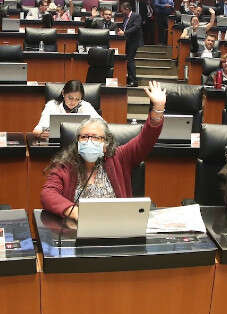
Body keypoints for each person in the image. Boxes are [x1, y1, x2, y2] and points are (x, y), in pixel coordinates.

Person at [40, 82, 167, 220]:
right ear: (77, 142)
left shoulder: (120, 157)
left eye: (95, 137)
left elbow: (145, 140)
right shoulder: (66, 165)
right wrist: (74, 212)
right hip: (79, 227)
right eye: (84, 137)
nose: (89, 141)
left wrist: (158, 109)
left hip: (118, 224)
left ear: (105, 144)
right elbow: (48, 194)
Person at [32, 80, 102, 140]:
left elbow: (103, 125)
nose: (73, 102)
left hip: (81, 143)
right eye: (70, 98)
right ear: (63, 93)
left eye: (77, 99)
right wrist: (41, 133)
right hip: (59, 143)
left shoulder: (85, 106)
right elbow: (37, 130)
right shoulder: (52, 105)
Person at [120, 1, 142, 87]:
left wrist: (124, 33)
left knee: (130, 60)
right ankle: (130, 80)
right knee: (128, 60)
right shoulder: (126, 17)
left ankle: (134, 81)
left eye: (122, 10)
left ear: (127, 9)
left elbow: (136, 27)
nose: (121, 11)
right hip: (127, 41)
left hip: (134, 41)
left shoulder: (136, 16)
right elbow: (124, 27)